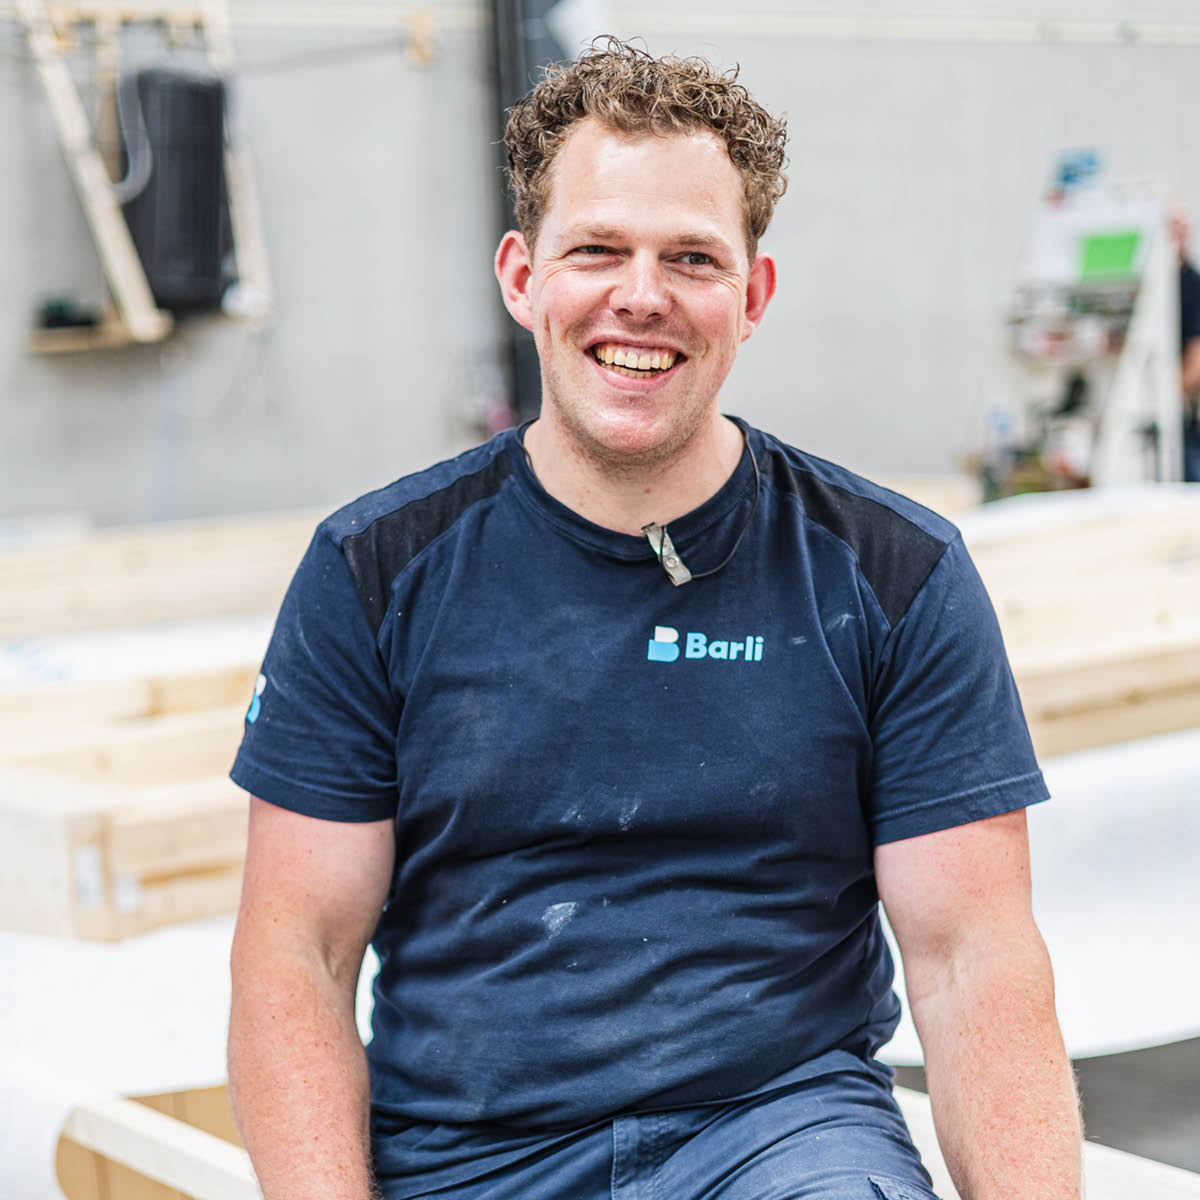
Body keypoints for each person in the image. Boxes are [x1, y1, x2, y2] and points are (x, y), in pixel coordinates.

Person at [227, 39, 1082, 1200]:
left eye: (692, 257)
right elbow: (298, 958)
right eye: (597, 250)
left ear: (753, 295)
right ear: (522, 276)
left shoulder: (892, 574)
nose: (642, 295)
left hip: (777, 1135)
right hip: (475, 1155)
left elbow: (972, 958)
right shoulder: (373, 573)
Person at [1169, 204, 1200, 481]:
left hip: (1180, 409)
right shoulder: (1159, 286)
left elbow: (1196, 361)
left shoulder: (1191, 285)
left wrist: (1166, 398)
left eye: (1180, 229)